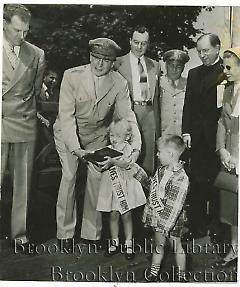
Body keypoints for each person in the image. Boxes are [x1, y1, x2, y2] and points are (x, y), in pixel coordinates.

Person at [53, 38, 141, 251]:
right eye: (95, 58)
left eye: (105, 60)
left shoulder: (119, 83)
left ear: (113, 63)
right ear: (89, 56)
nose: (99, 64)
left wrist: (136, 148)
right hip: (68, 134)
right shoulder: (71, 76)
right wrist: (76, 149)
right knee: (69, 176)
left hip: (97, 137)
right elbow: (66, 118)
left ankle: (91, 234)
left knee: (97, 177)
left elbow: (128, 117)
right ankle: (65, 233)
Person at [1, 4, 45, 250]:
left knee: (23, 184)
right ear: (4, 24)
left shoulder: (37, 54)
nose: (23, 36)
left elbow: (35, 91)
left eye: (26, 31)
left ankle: (20, 235)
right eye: (18, 30)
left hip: (25, 124)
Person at [182, 33, 225, 240]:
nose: (202, 55)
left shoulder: (227, 71)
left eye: (206, 50)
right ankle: (196, 227)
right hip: (197, 137)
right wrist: (186, 131)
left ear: (217, 48)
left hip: (218, 136)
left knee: (217, 183)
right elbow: (188, 105)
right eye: (199, 51)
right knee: (197, 182)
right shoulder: (193, 73)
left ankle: (218, 227)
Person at [96, 119, 146, 260]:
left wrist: (113, 162)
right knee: (113, 215)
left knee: (126, 214)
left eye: (118, 136)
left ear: (127, 137)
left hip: (125, 184)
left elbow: (126, 163)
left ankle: (129, 243)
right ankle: (115, 242)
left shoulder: (128, 148)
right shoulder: (109, 148)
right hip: (111, 187)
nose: (114, 139)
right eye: (111, 135)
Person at [115, 25, 161, 175]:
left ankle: (146, 195)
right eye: (136, 42)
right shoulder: (117, 63)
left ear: (148, 44)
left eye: (143, 43)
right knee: (127, 155)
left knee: (148, 160)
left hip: (148, 112)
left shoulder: (155, 65)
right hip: (128, 111)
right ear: (130, 41)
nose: (139, 47)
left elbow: (157, 98)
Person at [142, 135, 189, 282]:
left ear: (171, 154)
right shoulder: (161, 170)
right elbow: (153, 187)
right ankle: (154, 272)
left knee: (177, 246)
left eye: (159, 151)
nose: (157, 154)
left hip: (172, 220)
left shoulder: (181, 177)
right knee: (158, 245)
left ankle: (181, 275)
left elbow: (174, 206)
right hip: (158, 216)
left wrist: (165, 225)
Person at [212, 47, 239, 268]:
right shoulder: (229, 90)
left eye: (229, 67)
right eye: (224, 66)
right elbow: (222, 121)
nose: (225, 71)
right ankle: (234, 249)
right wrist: (221, 149)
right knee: (231, 206)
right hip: (229, 154)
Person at [160, 49, 189, 136]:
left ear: (183, 68)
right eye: (171, 65)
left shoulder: (188, 84)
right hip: (162, 135)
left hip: (181, 136)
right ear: (166, 66)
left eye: (178, 67)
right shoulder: (158, 83)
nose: (174, 69)